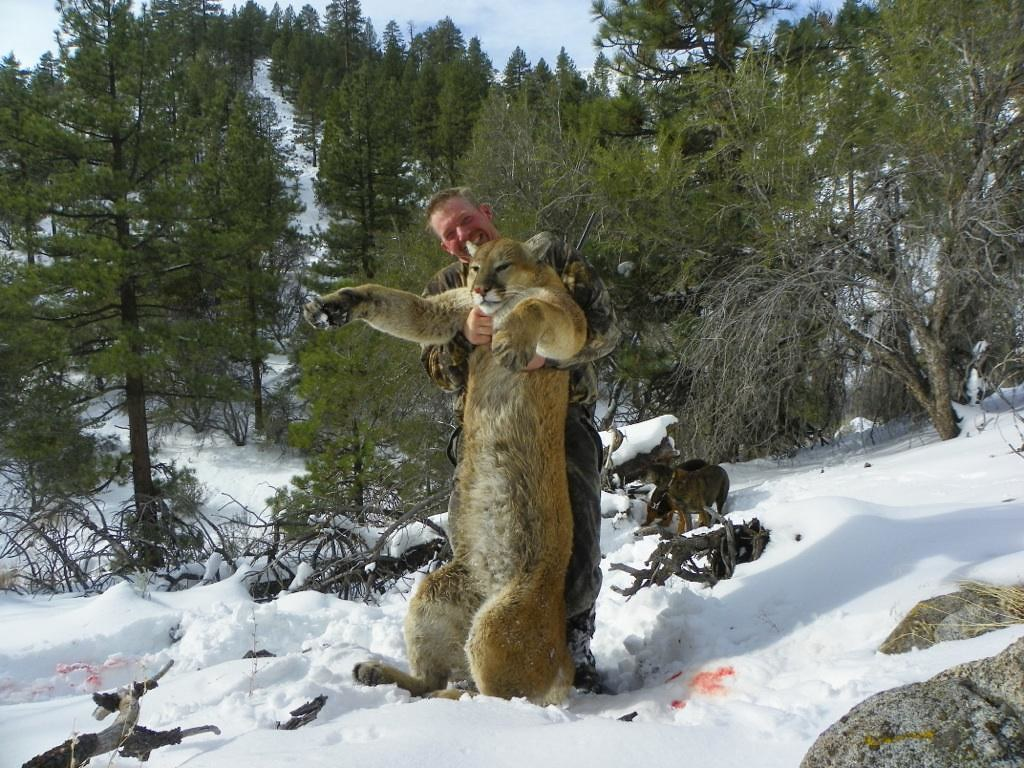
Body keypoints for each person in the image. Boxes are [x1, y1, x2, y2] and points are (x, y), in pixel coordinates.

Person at [421, 187, 620, 692]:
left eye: (466, 220)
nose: (464, 235)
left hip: (557, 424)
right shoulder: (448, 284)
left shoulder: (545, 254)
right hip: (487, 433)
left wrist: (549, 357)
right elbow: (437, 371)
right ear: (447, 247)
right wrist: (465, 334)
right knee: (475, 552)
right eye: (451, 234)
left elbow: (604, 330)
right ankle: (484, 661)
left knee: (572, 557)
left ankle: (571, 653)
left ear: (485, 213)